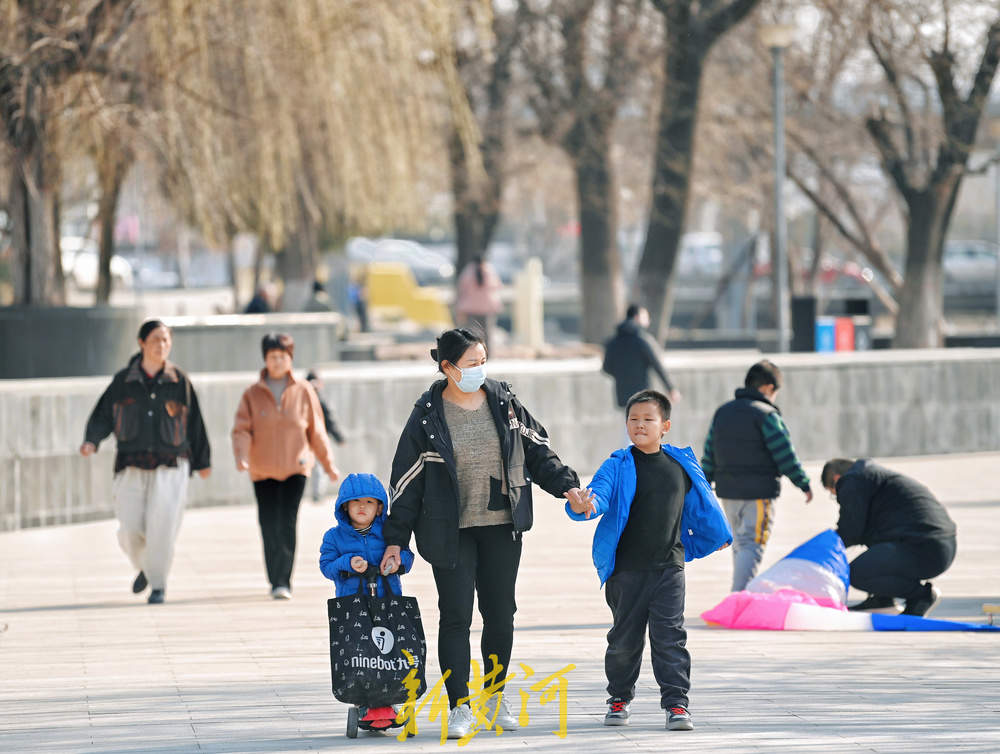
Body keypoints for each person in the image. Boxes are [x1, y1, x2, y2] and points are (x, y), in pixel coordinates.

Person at [378, 327, 592, 739]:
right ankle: (460, 706)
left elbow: (538, 451)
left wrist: (567, 487)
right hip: (449, 530)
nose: (481, 369)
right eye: (472, 363)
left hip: (501, 526)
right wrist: (395, 538)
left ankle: (494, 697)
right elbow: (406, 480)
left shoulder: (504, 401)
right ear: (448, 367)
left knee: (500, 615)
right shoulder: (427, 414)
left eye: (483, 361)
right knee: (455, 617)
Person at [566, 389, 731, 732]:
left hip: (670, 567)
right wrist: (584, 505)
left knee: (670, 636)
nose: (639, 426)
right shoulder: (618, 463)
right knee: (624, 639)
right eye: (633, 419)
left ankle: (677, 705)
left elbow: (703, 504)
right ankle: (619, 698)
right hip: (627, 571)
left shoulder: (681, 464)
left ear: (665, 425)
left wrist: (715, 536)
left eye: (648, 420)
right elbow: (599, 495)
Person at [80, 319, 211, 604]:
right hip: (131, 464)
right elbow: (103, 414)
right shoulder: (123, 381)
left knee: (162, 530)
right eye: (155, 340)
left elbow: (196, 424)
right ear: (141, 343)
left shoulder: (180, 381)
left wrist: (202, 461)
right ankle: (145, 567)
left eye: (166, 340)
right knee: (129, 530)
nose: (161, 346)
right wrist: (92, 440)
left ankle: (158, 585)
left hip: (171, 465)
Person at [232, 333, 341, 599]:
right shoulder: (252, 394)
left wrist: (328, 465)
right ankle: (274, 578)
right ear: (265, 359)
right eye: (272, 357)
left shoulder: (304, 390)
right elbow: (241, 430)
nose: (278, 361)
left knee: (287, 522)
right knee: (268, 523)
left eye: (283, 356)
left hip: (296, 467)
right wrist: (242, 456)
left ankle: (284, 581)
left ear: (290, 358)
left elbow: (316, 430)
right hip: (262, 470)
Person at [700, 360, 812, 592]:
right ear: (769, 388)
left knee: (740, 543)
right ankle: (739, 595)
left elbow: (710, 451)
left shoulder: (723, 412)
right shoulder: (767, 415)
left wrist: (703, 483)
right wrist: (803, 482)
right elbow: (785, 454)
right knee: (752, 543)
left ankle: (740, 590)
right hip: (759, 493)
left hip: (728, 493)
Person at [821, 458, 957, 617]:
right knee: (874, 543)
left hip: (924, 547)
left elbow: (850, 530)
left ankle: (921, 595)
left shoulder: (852, 480)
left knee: (856, 573)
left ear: (837, 480)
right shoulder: (872, 478)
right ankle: (882, 600)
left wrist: (821, 550)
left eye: (834, 493)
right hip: (940, 545)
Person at [319, 473, 414, 597]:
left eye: (369, 502)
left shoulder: (390, 532)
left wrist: (396, 562)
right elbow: (326, 567)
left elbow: (408, 555)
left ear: (379, 508)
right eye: (356, 500)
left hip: (389, 602)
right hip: (351, 606)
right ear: (345, 505)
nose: (362, 506)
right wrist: (348, 563)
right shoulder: (333, 537)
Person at [602, 305, 680, 412]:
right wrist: (671, 388)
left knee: (628, 424)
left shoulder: (612, 342)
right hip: (642, 394)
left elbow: (606, 368)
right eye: (645, 317)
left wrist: (623, 375)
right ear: (637, 317)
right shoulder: (642, 340)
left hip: (622, 394)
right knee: (643, 425)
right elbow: (657, 365)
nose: (648, 320)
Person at [305, 369, 346, 503]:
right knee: (317, 467)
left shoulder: (307, 400)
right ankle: (317, 494)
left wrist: (338, 436)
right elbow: (330, 420)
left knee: (316, 467)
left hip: (310, 439)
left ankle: (316, 493)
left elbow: (329, 420)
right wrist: (339, 437)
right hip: (314, 439)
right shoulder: (319, 400)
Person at [454, 256, 502, 351]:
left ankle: (472, 353)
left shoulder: (468, 272)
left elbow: (461, 289)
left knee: (471, 333)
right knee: (487, 333)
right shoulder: (489, 271)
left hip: (470, 308)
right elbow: (498, 286)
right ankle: (487, 352)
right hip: (487, 307)